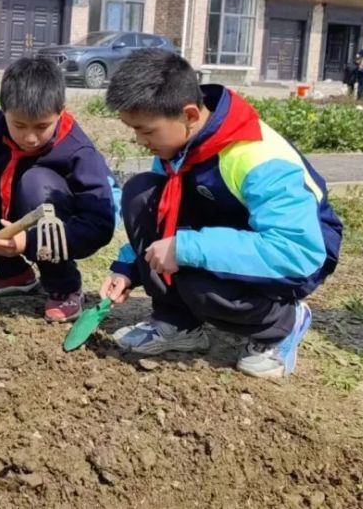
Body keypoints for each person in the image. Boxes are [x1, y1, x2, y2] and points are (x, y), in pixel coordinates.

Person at [99, 49, 342, 378]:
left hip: (297, 251)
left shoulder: (258, 156)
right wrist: (128, 268)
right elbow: (164, 211)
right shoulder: (177, 145)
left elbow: (299, 250)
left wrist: (188, 248)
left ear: (189, 115)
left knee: (201, 288)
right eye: (134, 130)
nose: (140, 141)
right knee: (141, 193)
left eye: (146, 131)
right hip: (229, 229)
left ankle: (281, 323)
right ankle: (178, 323)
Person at [0, 57, 118, 322]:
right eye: (19, 126)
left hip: (53, 216)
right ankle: (10, 273)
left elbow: (99, 224)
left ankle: (64, 285)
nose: (30, 137)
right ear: (4, 111)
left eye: (42, 127)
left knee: (35, 183)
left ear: (61, 111)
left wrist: (34, 242)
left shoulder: (79, 151)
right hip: (8, 214)